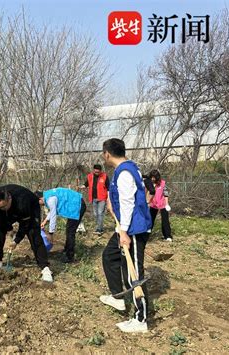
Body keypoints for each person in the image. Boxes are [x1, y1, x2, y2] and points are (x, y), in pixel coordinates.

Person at [99, 138, 152, 333]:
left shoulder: (125, 173)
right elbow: (124, 199)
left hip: (133, 229)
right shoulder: (126, 169)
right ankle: (118, 297)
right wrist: (113, 205)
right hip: (125, 225)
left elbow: (129, 203)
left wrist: (124, 233)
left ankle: (141, 319)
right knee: (109, 255)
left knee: (133, 273)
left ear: (107, 154)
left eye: (103, 154)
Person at [0, 184, 53, 282]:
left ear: (9, 198)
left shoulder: (23, 202)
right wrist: (9, 229)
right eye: (0, 207)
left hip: (31, 208)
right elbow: (2, 215)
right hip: (12, 208)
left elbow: (24, 225)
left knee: (33, 234)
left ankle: (45, 268)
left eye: (4, 206)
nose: (3, 209)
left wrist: (16, 241)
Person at [35, 188, 87, 263]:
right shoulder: (48, 195)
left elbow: (53, 216)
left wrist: (50, 234)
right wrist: (45, 221)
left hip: (77, 205)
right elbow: (53, 210)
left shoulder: (50, 199)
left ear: (40, 199)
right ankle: (67, 249)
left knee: (70, 232)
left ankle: (70, 257)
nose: (39, 205)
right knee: (69, 229)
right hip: (75, 205)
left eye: (38, 203)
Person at [81, 164, 110, 234]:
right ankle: (99, 227)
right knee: (95, 214)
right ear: (93, 170)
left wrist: (108, 198)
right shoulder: (90, 176)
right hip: (93, 198)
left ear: (100, 171)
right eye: (95, 171)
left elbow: (108, 188)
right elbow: (86, 184)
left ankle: (99, 229)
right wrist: (82, 186)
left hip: (102, 198)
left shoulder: (105, 176)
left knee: (100, 213)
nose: (96, 173)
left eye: (98, 172)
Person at [148, 169, 173, 242]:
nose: (153, 179)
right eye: (152, 177)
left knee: (165, 220)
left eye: (154, 177)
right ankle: (147, 235)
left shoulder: (163, 183)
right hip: (153, 204)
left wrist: (167, 204)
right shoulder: (149, 183)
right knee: (150, 220)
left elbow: (166, 194)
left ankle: (167, 236)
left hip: (162, 204)